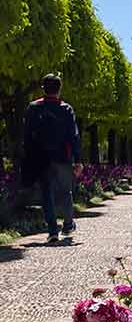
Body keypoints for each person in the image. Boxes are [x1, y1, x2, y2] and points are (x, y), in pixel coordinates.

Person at [22, 74, 81, 243]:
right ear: (59, 89)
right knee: (65, 192)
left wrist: (28, 157)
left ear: (43, 88)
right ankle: (68, 224)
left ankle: (53, 230)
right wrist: (78, 159)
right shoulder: (66, 108)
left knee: (46, 193)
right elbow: (74, 136)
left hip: (41, 158)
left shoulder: (33, 107)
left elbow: (27, 135)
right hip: (63, 157)